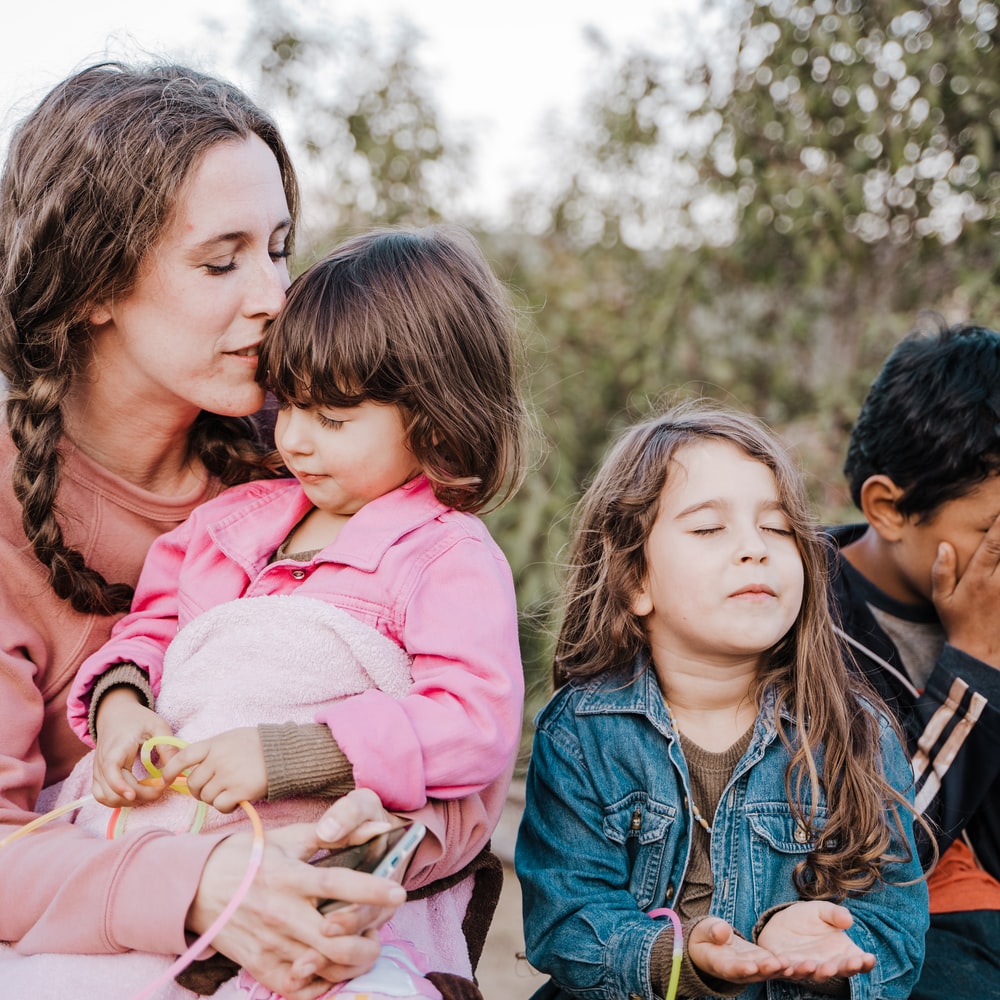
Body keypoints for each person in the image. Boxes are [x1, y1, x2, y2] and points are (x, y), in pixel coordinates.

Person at [0, 62, 505, 1000]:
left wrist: (367, 858)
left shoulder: (324, 456)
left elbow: (463, 736)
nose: (278, 294)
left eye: (279, 247)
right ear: (90, 289)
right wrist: (201, 884)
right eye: (221, 258)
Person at [515, 401, 927, 1000]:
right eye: (710, 528)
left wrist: (831, 950)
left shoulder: (856, 734)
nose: (754, 548)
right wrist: (679, 961)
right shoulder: (582, 733)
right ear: (635, 580)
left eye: (778, 528)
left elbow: (897, 931)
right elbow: (565, 920)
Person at [829, 321, 1000, 998]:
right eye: (990, 530)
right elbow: (875, 857)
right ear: (888, 507)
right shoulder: (803, 624)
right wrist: (976, 666)